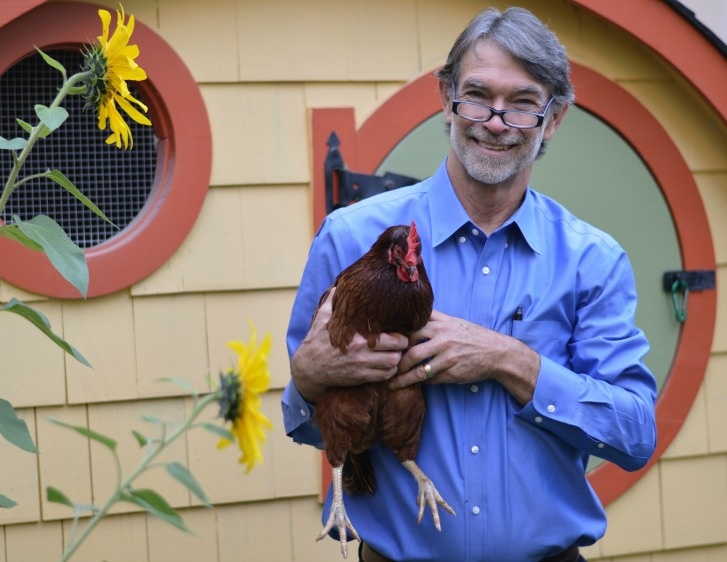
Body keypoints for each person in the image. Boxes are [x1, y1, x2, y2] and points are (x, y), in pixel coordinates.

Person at [282, 6, 657, 562]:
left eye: (523, 104)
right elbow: (305, 422)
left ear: (553, 119)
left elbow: (633, 434)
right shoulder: (351, 235)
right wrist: (308, 378)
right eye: (478, 95)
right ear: (446, 99)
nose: (496, 121)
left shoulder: (591, 261)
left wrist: (512, 360)